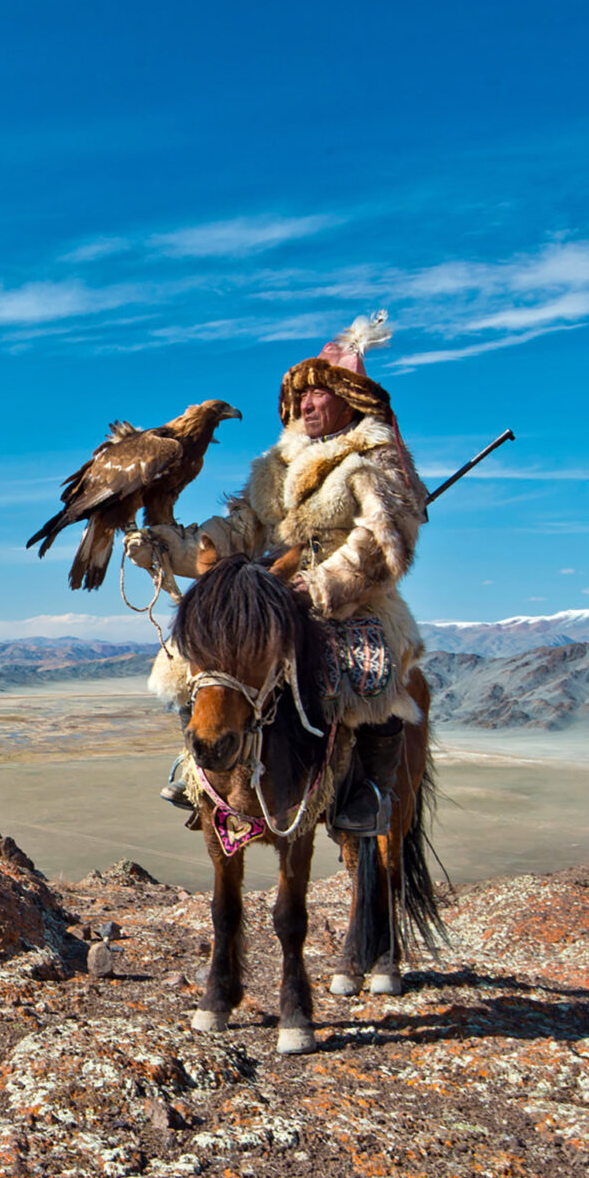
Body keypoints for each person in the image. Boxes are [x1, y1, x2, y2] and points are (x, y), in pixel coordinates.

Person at [126, 312, 427, 835]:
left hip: (354, 594)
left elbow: (382, 540)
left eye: (319, 394)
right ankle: (201, 771)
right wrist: (173, 545)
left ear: (349, 400)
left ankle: (369, 793)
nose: (305, 404)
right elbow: (243, 528)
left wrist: (324, 583)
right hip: (270, 588)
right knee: (190, 655)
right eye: (301, 395)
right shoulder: (274, 465)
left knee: (371, 671)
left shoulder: (375, 459)